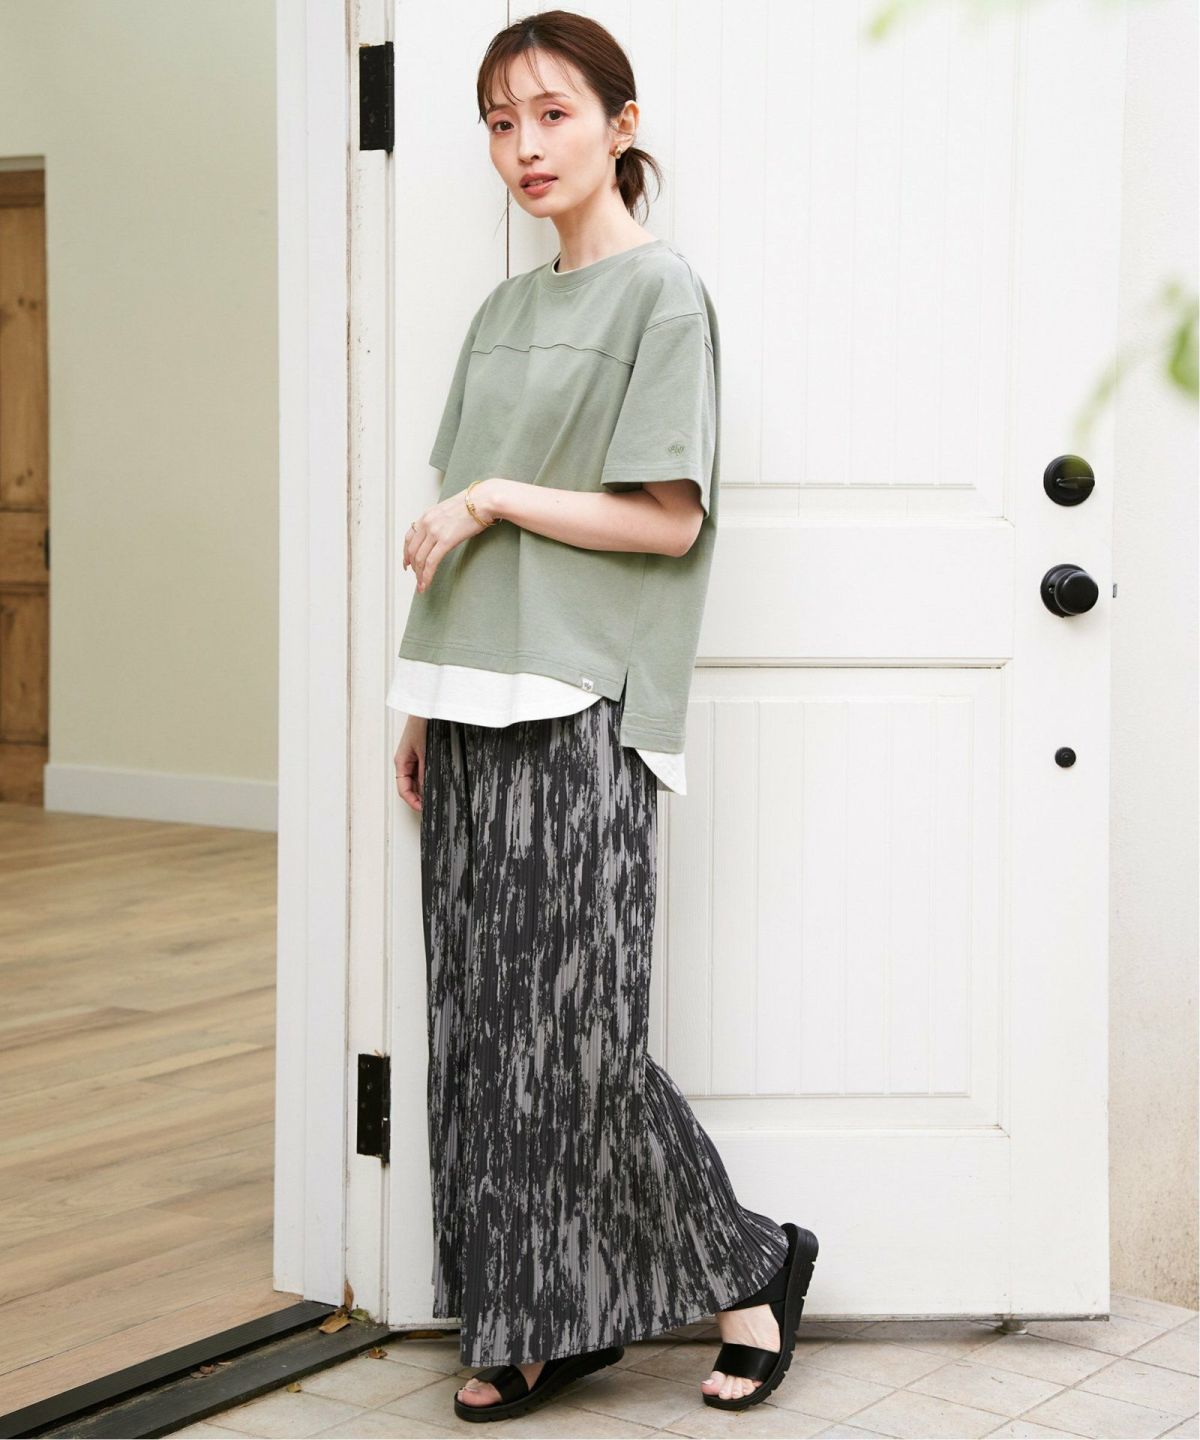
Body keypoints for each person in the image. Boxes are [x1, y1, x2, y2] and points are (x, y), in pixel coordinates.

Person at [389, 10, 819, 1423]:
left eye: (553, 114)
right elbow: (452, 541)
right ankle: (538, 1322)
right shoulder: (500, 314)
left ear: (621, 126)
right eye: (500, 122)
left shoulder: (662, 297)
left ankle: (753, 1267)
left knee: (578, 1040)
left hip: (584, 702)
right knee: (484, 1038)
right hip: (468, 699)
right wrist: (421, 696)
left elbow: (665, 520)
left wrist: (496, 497)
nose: (525, 146)